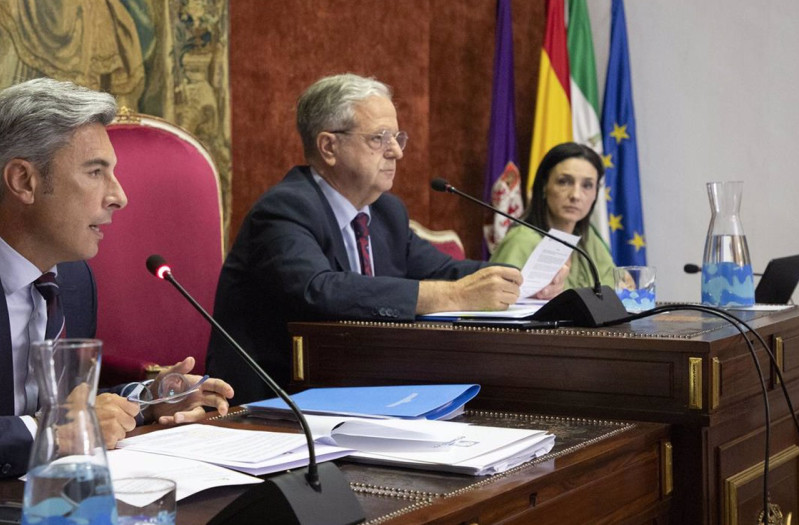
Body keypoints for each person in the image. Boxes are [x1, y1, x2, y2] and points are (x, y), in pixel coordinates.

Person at [0, 78, 234, 491]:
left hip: (46, 504)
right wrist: (51, 433)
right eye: (95, 172)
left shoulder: (72, 278)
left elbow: (67, 409)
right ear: (24, 181)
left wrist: (153, 397)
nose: (119, 196)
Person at [205, 73, 566, 403]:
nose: (397, 151)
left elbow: (446, 271)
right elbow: (319, 291)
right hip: (272, 401)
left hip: (356, 390)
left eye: (397, 137)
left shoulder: (386, 213)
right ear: (329, 147)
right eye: (379, 139)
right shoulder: (285, 209)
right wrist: (452, 296)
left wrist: (520, 279)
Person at [491, 142, 615, 289]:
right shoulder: (520, 241)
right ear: (544, 185)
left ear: (596, 193)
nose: (575, 195)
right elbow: (496, 305)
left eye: (587, 185)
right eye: (564, 182)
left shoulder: (588, 238)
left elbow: (618, 291)